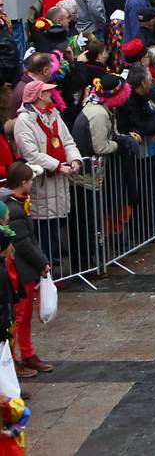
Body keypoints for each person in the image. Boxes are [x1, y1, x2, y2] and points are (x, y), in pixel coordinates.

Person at [13, 80, 82, 266]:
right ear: (38, 96)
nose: (51, 93)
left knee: (54, 229)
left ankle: (52, 271)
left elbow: (68, 141)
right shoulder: (24, 121)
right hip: (41, 186)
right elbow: (32, 154)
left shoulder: (54, 114)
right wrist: (58, 166)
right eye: (46, 91)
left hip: (58, 185)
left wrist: (75, 159)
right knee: (43, 234)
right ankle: (46, 275)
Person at [5, 162, 50, 379]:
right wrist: (42, 262)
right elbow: (23, 244)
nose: (32, 183)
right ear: (23, 183)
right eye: (30, 180)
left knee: (24, 316)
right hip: (20, 272)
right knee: (19, 317)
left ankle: (28, 353)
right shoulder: (14, 211)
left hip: (24, 271)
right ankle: (15, 359)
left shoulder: (17, 205)